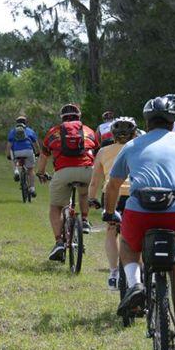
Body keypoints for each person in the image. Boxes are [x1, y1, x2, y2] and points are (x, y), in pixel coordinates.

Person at [104, 96, 175, 350]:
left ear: (146, 121)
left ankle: (135, 282)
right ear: (173, 120)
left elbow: (113, 184)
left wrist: (109, 212)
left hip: (140, 208)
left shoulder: (133, 145)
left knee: (129, 245)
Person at [36, 103, 99, 260]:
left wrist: (41, 173)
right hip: (87, 171)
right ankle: (84, 221)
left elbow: (44, 156)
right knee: (83, 194)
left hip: (63, 173)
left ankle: (58, 242)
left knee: (56, 207)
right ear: (79, 117)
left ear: (62, 118)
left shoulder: (54, 132)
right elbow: (98, 153)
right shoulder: (89, 131)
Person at [88, 116, 137, 290]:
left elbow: (95, 181)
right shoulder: (139, 148)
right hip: (135, 194)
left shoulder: (103, 152)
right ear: (134, 133)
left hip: (112, 194)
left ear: (112, 134)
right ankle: (142, 273)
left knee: (111, 231)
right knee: (138, 232)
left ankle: (114, 273)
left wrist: (91, 198)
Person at [7, 116, 40, 196]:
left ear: (17, 123)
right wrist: (38, 152)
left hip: (17, 152)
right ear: (26, 123)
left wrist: (8, 155)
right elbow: (36, 144)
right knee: (30, 169)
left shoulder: (12, 131)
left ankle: (16, 171)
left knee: (12, 153)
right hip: (28, 151)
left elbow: (9, 145)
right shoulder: (30, 131)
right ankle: (32, 188)